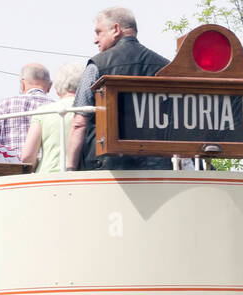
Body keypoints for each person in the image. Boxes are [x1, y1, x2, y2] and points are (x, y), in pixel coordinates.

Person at [68, 8, 173, 172]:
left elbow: (79, 123)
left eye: (98, 32)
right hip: (157, 166)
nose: (95, 40)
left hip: (105, 166)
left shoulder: (96, 65)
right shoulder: (165, 67)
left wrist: (70, 168)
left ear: (116, 29)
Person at [20, 63, 82, 173]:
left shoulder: (43, 112)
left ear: (57, 88)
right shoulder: (91, 110)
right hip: (85, 176)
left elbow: (27, 156)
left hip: (48, 176)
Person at [0, 62, 53, 157]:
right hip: (45, 169)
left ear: (22, 84)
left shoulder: (5, 104)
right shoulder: (55, 107)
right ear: (50, 86)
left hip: (12, 168)